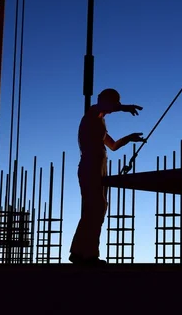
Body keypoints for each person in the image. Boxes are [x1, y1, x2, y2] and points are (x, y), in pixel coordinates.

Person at [69, 88, 145, 265]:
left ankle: (80, 251)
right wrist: (124, 108)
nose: (115, 107)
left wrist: (129, 138)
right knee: (94, 208)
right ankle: (87, 254)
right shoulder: (91, 115)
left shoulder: (100, 123)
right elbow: (101, 108)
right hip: (90, 168)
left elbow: (113, 145)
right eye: (114, 102)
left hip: (99, 168)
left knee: (96, 208)